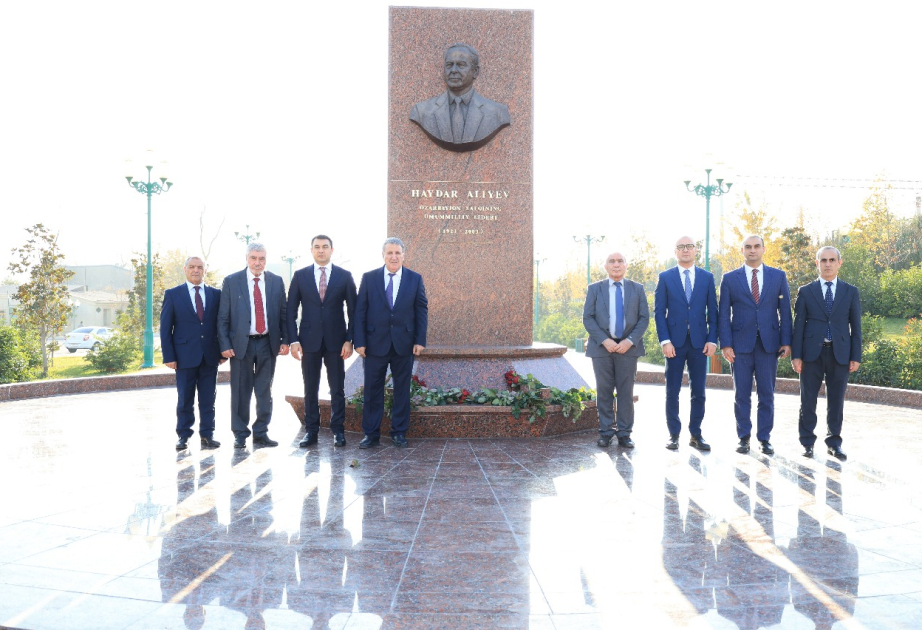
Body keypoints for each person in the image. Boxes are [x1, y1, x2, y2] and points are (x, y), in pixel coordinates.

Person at [718, 235, 792, 455]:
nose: (752, 250)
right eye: (748, 247)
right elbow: (723, 314)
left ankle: (764, 438)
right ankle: (744, 437)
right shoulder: (730, 278)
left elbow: (785, 312)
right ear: (742, 250)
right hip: (739, 346)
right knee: (741, 394)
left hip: (769, 345)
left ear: (764, 249)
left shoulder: (778, 277)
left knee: (767, 394)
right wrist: (726, 344)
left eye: (756, 246)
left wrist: (786, 341)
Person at [354, 237, 428, 448]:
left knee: (402, 390)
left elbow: (421, 309)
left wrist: (419, 340)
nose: (394, 257)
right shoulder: (370, 278)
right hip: (374, 344)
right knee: (372, 390)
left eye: (397, 253)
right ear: (383, 255)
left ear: (404, 255)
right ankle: (371, 433)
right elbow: (360, 311)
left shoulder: (415, 279)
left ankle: (399, 432)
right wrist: (359, 340)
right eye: (390, 253)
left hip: (404, 344)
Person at [791, 246, 861, 461]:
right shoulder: (806, 291)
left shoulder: (850, 292)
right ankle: (807, 442)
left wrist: (855, 356)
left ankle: (834, 443)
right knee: (808, 400)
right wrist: (796, 355)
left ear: (840, 262)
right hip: (811, 354)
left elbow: (856, 326)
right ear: (817, 263)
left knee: (836, 401)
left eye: (832, 260)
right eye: (823, 260)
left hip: (840, 353)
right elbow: (798, 326)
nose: (827, 264)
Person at [287, 235, 356, 448]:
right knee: (310, 388)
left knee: (337, 388)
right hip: (309, 342)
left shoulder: (344, 276)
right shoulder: (300, 276)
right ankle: (311, 432)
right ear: (311, 250)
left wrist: (349, 340)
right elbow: (290, 312)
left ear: (332, 250)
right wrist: (293, 341)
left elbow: (354, 312)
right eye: (317, 247)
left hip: (337, 342)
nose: (321, 250)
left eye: (325, 247)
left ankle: (338, 431)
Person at [217, 242, 289, 449]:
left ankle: (261, 432)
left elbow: (283, 314)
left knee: (264, 390)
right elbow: (223, 317)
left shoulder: (276, 281)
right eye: (254, 258)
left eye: (262, 258)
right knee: (240, 390)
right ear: (247, 258)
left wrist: (284, 340)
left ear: (266, 259)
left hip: (268, 343)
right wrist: (224, 343)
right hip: (242, 345)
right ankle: (240, 433)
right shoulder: (232, 281)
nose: (258, 263)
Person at [654, 237, 719, 451]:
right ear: (675, 251)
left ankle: (696, 434)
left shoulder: (707, 278)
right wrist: (665, 340)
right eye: (681, 247)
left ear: (695, 250)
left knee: (698, 391)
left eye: (689, 246)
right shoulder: (665, 277)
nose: (685, 250)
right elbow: (659, 312)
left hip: (700, 343)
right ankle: (673, 434)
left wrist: (712, 339)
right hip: (674, 343)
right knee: (672, 390)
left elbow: (714, 312)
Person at [583, 250, 649, 448]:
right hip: (602, 348)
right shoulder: (595, 289)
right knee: (603, 391)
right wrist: (605, 340)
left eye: (620, 261)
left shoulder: (637, 289)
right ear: (606, 266)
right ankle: (605, 432)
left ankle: (624, 433)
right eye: (612, 261)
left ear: (626, 265)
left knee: (625, 392)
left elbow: (644, 318)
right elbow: (588, 317)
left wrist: (629, 341)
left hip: (628, 348)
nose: (616, 264)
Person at [160, 256, 225, 451]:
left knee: (208, 399)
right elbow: (165, 328)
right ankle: (184, 435)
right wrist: (169, 356)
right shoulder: (173, 294)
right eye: (192, 267)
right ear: (185, 269)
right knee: (185, 399)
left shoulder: (216, 294)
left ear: (205, 270)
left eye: (199, 267)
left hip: (210, 356)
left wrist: (222, 351)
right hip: (183, 356)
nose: (196, 270)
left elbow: (221, 325)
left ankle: (208, 434)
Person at [410, 43, 511, 150]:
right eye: (449, 65)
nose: (453, 70)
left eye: (461, 65)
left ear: (475, 72)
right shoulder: (421, 112)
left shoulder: (498, 113)